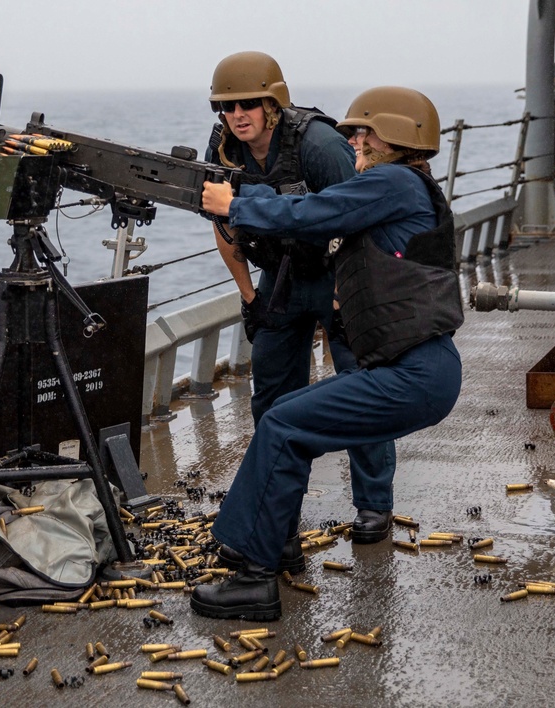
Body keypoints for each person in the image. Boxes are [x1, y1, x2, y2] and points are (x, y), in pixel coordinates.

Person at [191, 86, 464, 620]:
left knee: (283, 425)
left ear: (402, 139)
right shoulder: (406, 190)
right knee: (289, 424)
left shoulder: (395, 180)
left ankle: (256, 577)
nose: (355, 141)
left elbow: (313, 211)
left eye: (366, 132)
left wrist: (237, 204)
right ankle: (263, 547)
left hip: (414, 373)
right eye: (355, 132)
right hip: (417, 368)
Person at [205, 51, 397, 568]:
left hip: (339, 276)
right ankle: (278, 522)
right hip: (280, 280)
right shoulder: (223, 149)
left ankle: (374, 505)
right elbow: (224, 228)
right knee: (271, 397)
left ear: (273, 104)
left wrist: (346, 294)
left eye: (249, 103)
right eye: (227, 106)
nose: (238, 114)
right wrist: (250, 298)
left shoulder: (318, 143)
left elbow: (359, 215)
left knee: (363, 388)